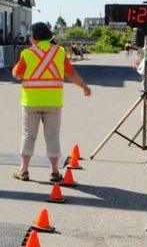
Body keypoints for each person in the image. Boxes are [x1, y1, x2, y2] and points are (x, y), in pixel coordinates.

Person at [11, 22, 91, 182]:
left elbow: (18, 75)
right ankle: (55, 172)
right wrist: (84, 87)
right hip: (53, 101)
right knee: (53, 136)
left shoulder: (27, 53)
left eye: (30, 35)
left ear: (35, 37)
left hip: (31, 101)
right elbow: (71, 73)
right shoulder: (59, 52)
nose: (29, 38)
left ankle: (24, 170)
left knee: (28, 136)